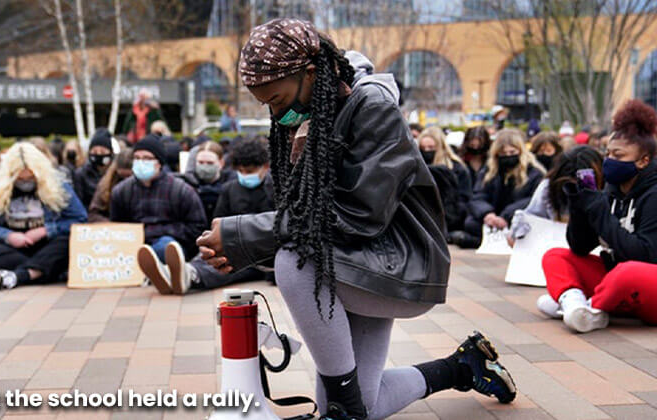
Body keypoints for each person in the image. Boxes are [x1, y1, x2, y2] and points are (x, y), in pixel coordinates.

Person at [195, 19, 516, 420]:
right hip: (354, 257)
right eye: (266, 105)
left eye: (276, 99)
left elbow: (358, 212)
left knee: (294, 264)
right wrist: (247, 242)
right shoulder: (317, 112)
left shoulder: (372, 108)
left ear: (310, 74)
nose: (275, 113)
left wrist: (248, 235)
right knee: (365, 403)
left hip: (399, 260)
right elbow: (305, 212)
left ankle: (342, 413)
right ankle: (463, 366)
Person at [540, 100, 657, 333]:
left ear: (643, 161)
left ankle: (590, 306)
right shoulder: (612, 188)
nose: (609, 161)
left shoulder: (653, 194)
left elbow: (645, 255)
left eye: (618, 155)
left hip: (645, 280)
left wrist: (599, 210)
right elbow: (580, 247)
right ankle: (574, 305)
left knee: (627, 273)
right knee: (555, 257)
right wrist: (579, 204)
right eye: (608, 153)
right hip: (619, 283)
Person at [142, 138, 275, 295]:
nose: (245, 175)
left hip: (261, 253)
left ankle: (190, 275)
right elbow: (218, 222)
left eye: (250, 171)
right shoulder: (230, 189)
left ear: (265, 167)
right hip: (231, 244)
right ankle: (179, 272)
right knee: (211, 254)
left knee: (229, 266)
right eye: (241, 171)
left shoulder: (274, 189)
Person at [0, 143, 87, 291]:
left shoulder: (59, 186)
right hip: (11, 247)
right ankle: (42, 271)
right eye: (20, 179)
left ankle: (19, 276)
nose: (26, 183)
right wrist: (7, 235)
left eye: (30, 178)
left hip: (46, 244)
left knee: (66, 245)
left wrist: (46, 231)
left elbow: (80, 219)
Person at [109, 135, 206, 290]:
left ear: (159, 162)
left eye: (147, 158)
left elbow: (197, 228)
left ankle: (165, 272)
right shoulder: (121, 191)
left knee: (165, 246)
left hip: (171, 246)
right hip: (135, 247)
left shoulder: (181, 190)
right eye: (137, 158)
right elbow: (118, 226)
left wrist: (162, 232)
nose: (141, 162)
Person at [458, 129, 546, 248]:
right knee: (470, 223)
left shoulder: (535, 173)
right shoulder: (489, 172)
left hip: (518, 218)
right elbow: (478, 196)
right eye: (503, 154)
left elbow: (534, 200)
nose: (508, 156)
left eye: (512, 152)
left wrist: (507, 215)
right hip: (493, 218)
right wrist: (487, 214)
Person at [508, 146, 603, 246]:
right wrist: (521, 227)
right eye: (568, 187)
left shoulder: (608, 192)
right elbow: (532, 218)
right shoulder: (548, 188)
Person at [417, 127, 472, 234]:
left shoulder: (456, 168)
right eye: (423, 148)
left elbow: (464, 197)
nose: (427, 151)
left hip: (451, 219)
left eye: (431, 147)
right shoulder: (416, 168)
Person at [179, 141, 236, 223]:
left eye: (210, 163)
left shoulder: (232, 183)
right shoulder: (187, 182)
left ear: (221, 163)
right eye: (201, 162)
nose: (205, 167)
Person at [88, 148, 133, 223]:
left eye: (129, 177)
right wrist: (111, 225)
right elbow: (93, 214)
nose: (126, 182)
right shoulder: (106, 184)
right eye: (122, 177)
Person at [74, 128, 115, 208]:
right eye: (95, 151)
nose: (98, 154)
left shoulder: (116, 172)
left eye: (103, 152)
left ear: (111, 152)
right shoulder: (81, 173)